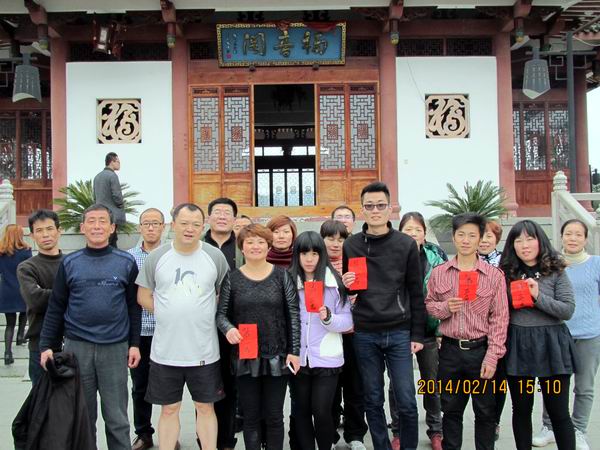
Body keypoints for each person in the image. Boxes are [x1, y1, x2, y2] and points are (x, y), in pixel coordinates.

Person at [39, 204, 141, 450]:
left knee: (117, 417)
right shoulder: (70, 263)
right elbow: (56, 307)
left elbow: (133, 307)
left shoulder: (126, 262)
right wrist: (46, 346)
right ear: (82, 227)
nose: (97, 226)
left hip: (114, 348)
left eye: (102, 221)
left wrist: (135, 344)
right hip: (77, 348)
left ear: (112, 227)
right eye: (91, 221)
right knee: (82, 416)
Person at [137, 203, 229, 450]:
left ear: (203, 226)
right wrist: (168, 313)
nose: (190, 229)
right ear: (173, 224)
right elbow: (143, 296)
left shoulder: (214, 256)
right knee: (169, 409)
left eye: (196, 224)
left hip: (204, 350)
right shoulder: (157, 257)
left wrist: (204, 313)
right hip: (165, 351)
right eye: (184, 223)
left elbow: (225, 294)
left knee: (205, 407)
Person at [342, 181, 425, 450]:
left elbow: (416, 291)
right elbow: (351, 290)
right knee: (372, 399)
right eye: (369, 206)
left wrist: (417, 334)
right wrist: (346, 285)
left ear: (390, 208)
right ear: (362, 210)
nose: (375, 210)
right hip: (365, 332)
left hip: (399, 330)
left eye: (380, 205)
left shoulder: (405, 244)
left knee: (407, 400)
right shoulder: (351, 245)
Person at [426, 213, 509, 450]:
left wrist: (492, 356)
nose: (465, 240)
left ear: (480, 239)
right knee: (451, 411)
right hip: (450, 351)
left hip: (480, 351)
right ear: (453, 237)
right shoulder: (440, 272)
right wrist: (445, 307)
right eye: (461, 234)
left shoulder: (494, 276)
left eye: (472, 235)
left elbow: (500, 318)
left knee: (485, 412)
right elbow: (429, 305)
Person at [216, 224, 300, 450]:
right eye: (250, 242)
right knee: (250, 416)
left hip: (277, 355)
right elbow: (221, 315)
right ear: (242, 247)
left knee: (274, 416)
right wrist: (228, 329)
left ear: (268, 246)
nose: (255, 246)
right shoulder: (232, 278)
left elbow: (293, 314)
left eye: (261, 242)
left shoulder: (282, 276)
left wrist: (294, 352)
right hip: (245, 355)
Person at [499, 220, 576, 450]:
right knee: (521, 409)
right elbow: (499, 310)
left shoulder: (556, 270)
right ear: (512, 245)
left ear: (540, 241)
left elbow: (567, 310)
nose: (524, 245)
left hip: (552, 346)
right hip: (518, 346)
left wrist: (537, 297)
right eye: (518, 240)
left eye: (530, 239)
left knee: (558, 411)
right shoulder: (506, 273)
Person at [533, 219, 599, 450]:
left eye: (578, 234)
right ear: (561, 236)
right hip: (557, 333)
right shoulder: (550, 264)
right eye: (568, 233)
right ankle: (549, 427)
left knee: (584, 387)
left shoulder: (596, 264)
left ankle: (578, 430)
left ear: (585, 239)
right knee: (552, 384)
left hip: (589, 334)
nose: (573, 238)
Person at [288, 231, 353, 450]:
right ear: (296, 255)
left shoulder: (334, 284)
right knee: (302, 411)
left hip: (327, 358)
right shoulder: (288, 282)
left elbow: (347, 321)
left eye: (314, 253)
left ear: (321, 255)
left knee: (322, 410)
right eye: (304, 253)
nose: (309, 259)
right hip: (298, 358)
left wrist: (329, 318)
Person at [389, 212, 447, 450]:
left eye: (417, 230)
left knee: (431, 382)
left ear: (424, 234)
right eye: (408, 230)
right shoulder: (391, 257)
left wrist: (441, 328)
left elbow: (444, 294)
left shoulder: (436, 258)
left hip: (428, 329)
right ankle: (398, 431)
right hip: (399, 329)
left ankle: (436, 430)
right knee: (397, 384)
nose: (413, 234)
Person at [320, 219, 368, 450]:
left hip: (353, 334)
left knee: (355, 386)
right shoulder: (316, 266)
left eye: (341, 239)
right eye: (330, 239)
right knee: (329, 389)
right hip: (326, 334)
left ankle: (355, 435)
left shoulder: (356, 263)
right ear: (322, 240)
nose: (336, 244)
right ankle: (329, 435)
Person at [204, 197, 243, 450]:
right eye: (216, 212)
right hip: (203, 327)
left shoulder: (243, 246)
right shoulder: (197, 245)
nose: (221, 216)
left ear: (234, 219)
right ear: (208, 218)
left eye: (226, 212)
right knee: (205, 388)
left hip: (234, 328)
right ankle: (206, 441)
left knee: (231, 386)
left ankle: (227, 441)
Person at [127, 208, 166, 450]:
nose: (151, 228)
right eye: (146, 223)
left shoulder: (172, 254)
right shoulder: (128, 258)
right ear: (139, 227)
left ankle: (168, 434)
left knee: (169, 387)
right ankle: (143, 433)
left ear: (164, 226)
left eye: (155, 223)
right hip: (139, 333)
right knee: (140, 386)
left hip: (167, 332)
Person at [16, 209, 63, 385]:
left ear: (59, 231)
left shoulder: (72, 263)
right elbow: (35, 300)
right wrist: (68, 293)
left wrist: (46, 292)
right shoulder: (26, 267)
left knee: (73, 398)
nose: (45, 235)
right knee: (42, 398)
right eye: (39, 230)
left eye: (50, 229)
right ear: (32, 235)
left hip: (73, 342)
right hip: (40, 344)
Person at [477, 219, 506, 442]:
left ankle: (494, 420)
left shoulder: (506, 262)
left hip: (499, 328)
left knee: (498, 379)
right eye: (481, 236)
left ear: (497, 239)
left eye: (489, 236)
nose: (484, 241)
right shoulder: (467, 262)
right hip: (475, 330)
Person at [0, 224, 32, 365]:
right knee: (24, 312)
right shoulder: (26, 251)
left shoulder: (1, 253)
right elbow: (30, 270)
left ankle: (7, 353)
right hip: (22, 288)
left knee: (9, 324)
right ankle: (20, 336)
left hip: (6, 289)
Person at [93, 152, 125, 247]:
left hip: (100, 213)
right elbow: (117, 195)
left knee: (109, 239)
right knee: (110, 240)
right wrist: (121, 205)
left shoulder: (97, 176)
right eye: (118, 162)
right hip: (112, 214)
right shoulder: (112, 176)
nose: (119, 164)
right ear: (112, 162)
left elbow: (95, 196)